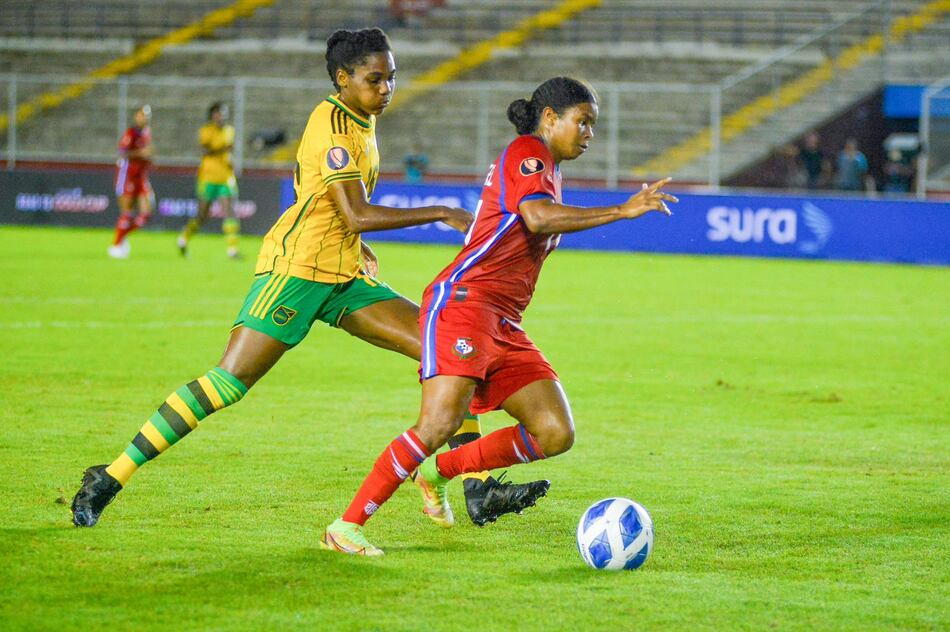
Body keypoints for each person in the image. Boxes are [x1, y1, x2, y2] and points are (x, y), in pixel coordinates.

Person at [71, 28, 546, 530]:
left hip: (342, 272)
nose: (386, 89)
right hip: (295, 271)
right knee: (229, 382)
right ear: (342, 78)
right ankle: (110, 475)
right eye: (374, 79)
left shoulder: (361, 119)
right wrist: (442, 211)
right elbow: (357, 210)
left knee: (447, 348)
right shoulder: (333, 124)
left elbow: (316, 191)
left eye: (391, 78)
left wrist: (353, 243)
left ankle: (474, 488)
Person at [322, 76, 677, 556]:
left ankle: (438, 472)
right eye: (583, 121)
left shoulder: (546, 166)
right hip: (465, 304)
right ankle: (345, 527)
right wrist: (622, 210)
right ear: (551, 118)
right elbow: (537, 217)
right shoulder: (527, 154)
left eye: (593, 125)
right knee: (436, 425)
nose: (589, 133)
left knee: (554, 430)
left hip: (503, 321)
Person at [177, 103, 242, 259]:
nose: (222, 117)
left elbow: (228, 151)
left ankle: (232, 250)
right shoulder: (206, 131)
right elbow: (206, 150)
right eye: (220, 113)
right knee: (202, 215)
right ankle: (184, 238)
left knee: (230, 212)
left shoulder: (230, 131)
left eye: (225, 114)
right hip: (208, 177)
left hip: (226, 177)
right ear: (213, 115)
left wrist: (229, 158)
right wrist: (223, 149)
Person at [109, 105, 154, 259]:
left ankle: (123, 236)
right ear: (136, 116)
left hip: (141, 177)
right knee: (127, 212)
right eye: (141, 115)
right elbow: (122, 152)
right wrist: (140, 153)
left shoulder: (147, 133)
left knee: (146, 213)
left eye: (146, 116)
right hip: (127, 175)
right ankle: (116, 245)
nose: (144, 118)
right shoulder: (131, 132)